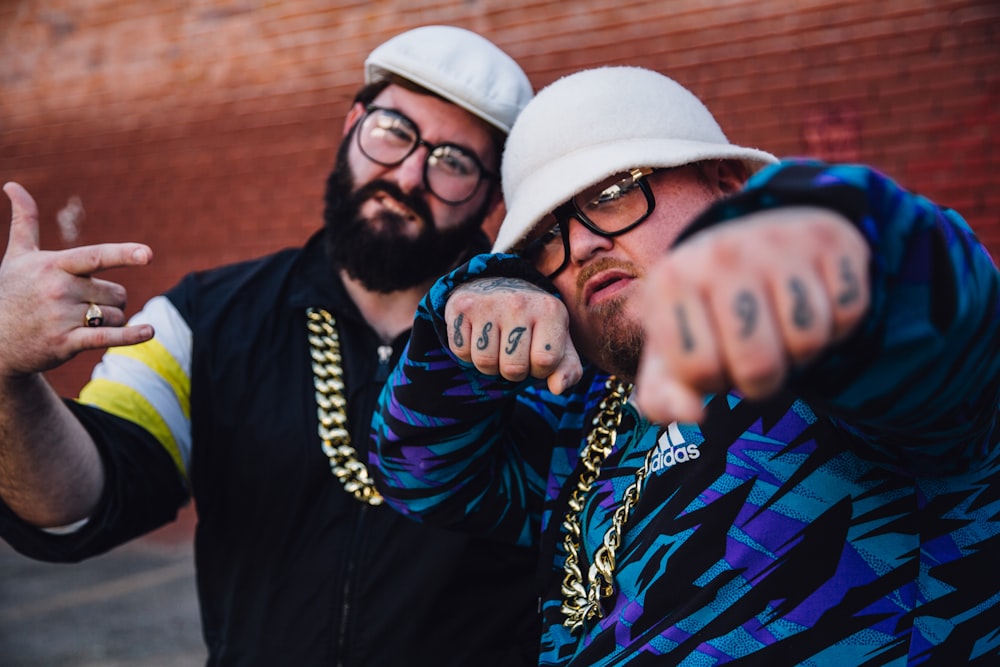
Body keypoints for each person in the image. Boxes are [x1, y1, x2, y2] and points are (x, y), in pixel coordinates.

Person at [373, 65, 1000, 665]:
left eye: (613, 193)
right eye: (545, 240)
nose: (583, 243)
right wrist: (463, 312)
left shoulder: (833, 360)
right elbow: (419, 474)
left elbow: (945, 326)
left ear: (727, 185)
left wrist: (830, 244)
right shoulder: (578, 414)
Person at [0, 25, 541, 666]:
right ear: (351, 126)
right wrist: (8, 374)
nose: (408, 174)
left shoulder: (540, 348)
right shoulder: (200, 320)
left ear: (492, 196)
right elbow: (74, 501)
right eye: (394, 131)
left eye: (454, 161)